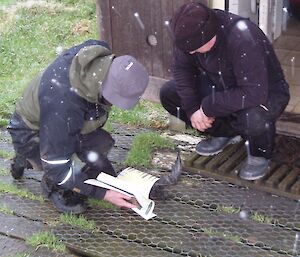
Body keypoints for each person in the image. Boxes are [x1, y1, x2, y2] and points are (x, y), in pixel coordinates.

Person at [7, 39, 149, 213]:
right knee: (63, 167)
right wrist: (103, 194)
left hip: (57, 117)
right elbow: (57, 168)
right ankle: (49, 181)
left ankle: (35, 157)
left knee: (99, 147)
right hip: (30, 131)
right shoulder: (63, 105)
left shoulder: (99, 57)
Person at [160, 2, 290, 180]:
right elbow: (182, 71)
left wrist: (207, 107)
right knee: (169, 93)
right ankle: (224, 133)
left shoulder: (243, 37)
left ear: (209, 37)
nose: (190, 52)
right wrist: (192, 110)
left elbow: (254, 93)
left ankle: (260, 153)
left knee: (254, 115)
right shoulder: (187, 35)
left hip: (266, 92)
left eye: (194, 48)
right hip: (222, 84)